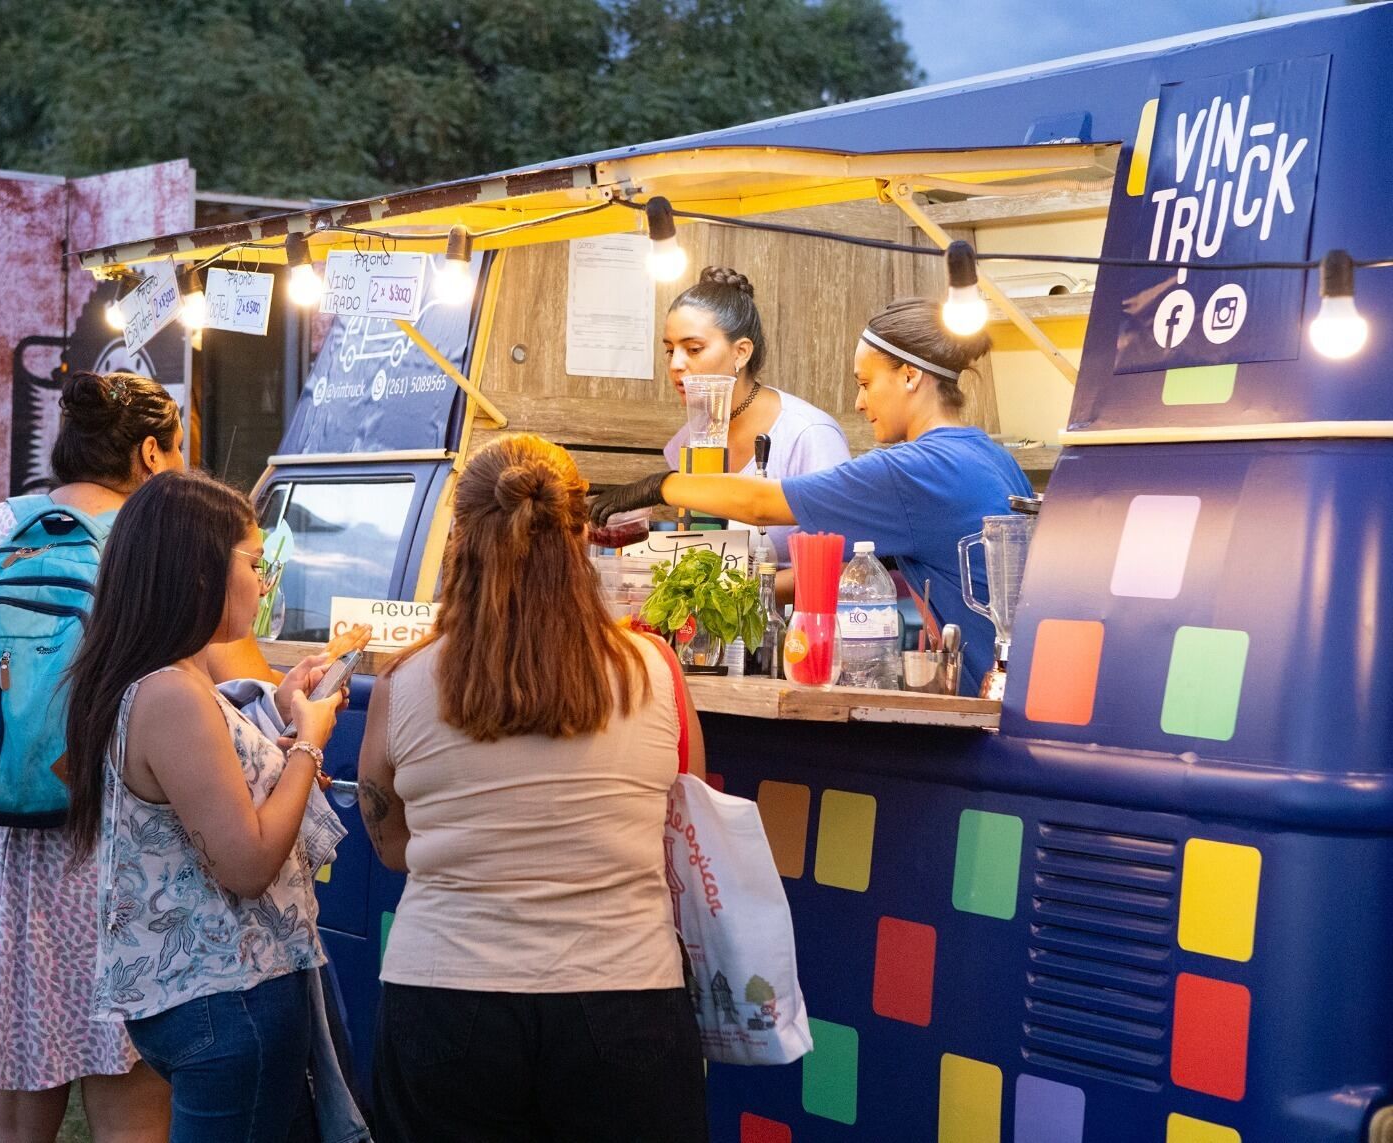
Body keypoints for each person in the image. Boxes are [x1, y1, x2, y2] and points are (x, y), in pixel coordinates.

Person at [0, 373, 343, 1142]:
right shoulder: (163, 547)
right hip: (111, 853)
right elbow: (217, 700)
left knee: (4, 1114)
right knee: (133, 1102)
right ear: (149, 451)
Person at [358, 434, 710, 1143]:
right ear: (585, 533)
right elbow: (684, 825)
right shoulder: (655, 668)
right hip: (626, 999)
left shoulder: (403, 683)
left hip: (445, 998)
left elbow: (393, 847)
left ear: (458, 536)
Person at [66, 470, 368, 1143]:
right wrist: (310, 745)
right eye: (257, 563)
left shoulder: (155, 677)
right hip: (232, 996)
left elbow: (216, 804)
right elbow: (248, 860)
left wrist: (284, 718)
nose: (264, 585)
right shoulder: (173, 693)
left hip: (207, 995)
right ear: (200, 567)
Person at [594, 297, 1035, 689]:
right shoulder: (993, 457)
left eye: (865, 384)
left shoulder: (914, 470)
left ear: (910, 377)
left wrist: (660, 485)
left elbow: (760, 505)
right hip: (1021, 689)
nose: (860, 404)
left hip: (992, 706)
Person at [661, 266, 850, 568]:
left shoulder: (809, 434)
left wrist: (748, 592)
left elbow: (840, 565)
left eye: (693, 348)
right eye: (670, 351)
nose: (676, 364)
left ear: (741, 353)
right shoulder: (685, 443)